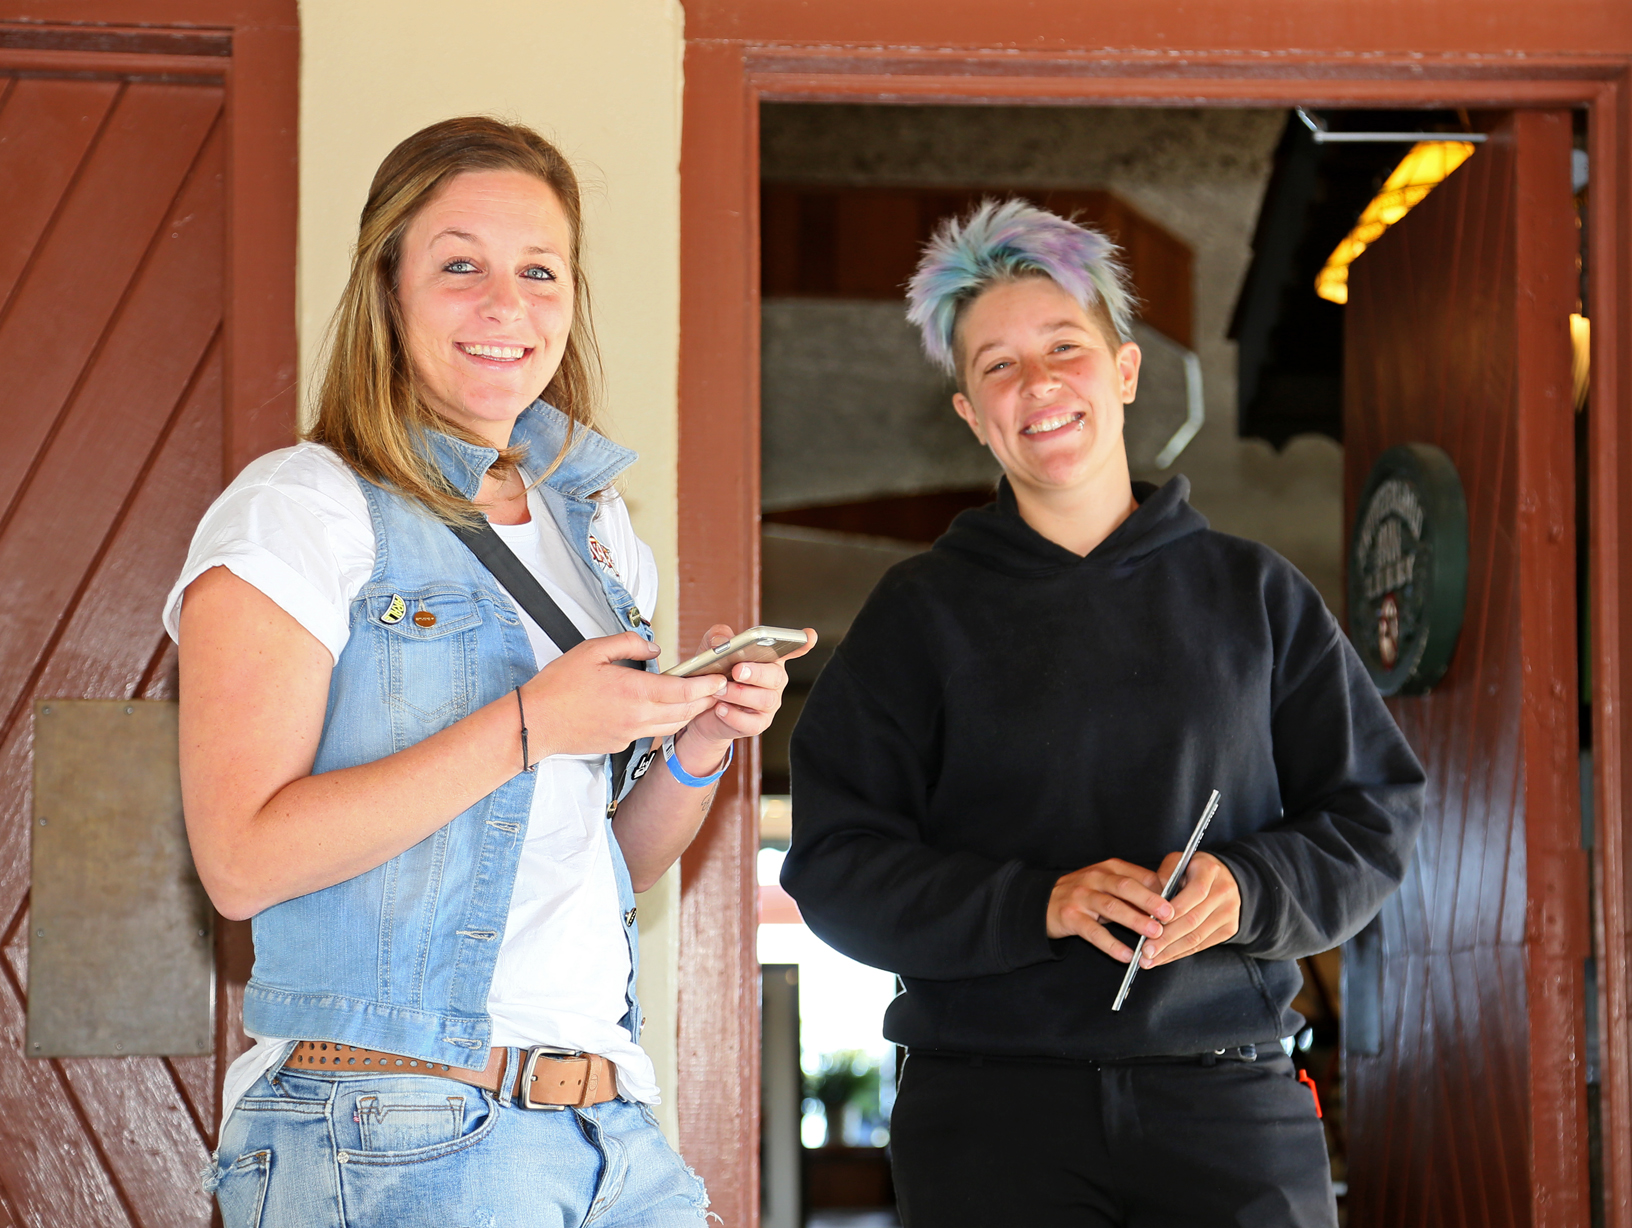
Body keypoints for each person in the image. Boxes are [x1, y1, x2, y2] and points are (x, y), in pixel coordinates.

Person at [169, 116, 810, 1227]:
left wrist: (701, 741)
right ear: (388, 290)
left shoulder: (596, 533)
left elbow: (604, 865)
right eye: (460, 265)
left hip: (608, 1129)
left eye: (539, 271)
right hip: (393, 1125)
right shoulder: (300, 506)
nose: (506, 305)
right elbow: (238, 862)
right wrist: (530, 723)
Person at [780, 200, 1424, 1227]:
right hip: (990, 1121)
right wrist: (1040, 903)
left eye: (1064, 347)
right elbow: (835, 869)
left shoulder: (1256, 594)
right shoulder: (915, 617)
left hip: (1229, 1104)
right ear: (971, 413)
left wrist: (1248, 887)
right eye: (998, 364)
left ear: (1124, 371)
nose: (1038, 383)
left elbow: (1375, 815)